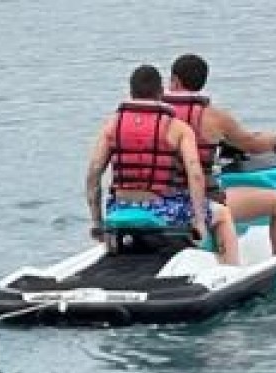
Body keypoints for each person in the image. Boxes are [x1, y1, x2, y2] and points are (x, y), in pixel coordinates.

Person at [85, 64, 240, 265]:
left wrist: (97, 222)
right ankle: (231, 271)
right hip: (162, 210)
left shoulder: (113, 125)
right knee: (223, 214)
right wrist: (199, 221)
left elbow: (93, 175)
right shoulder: (178, 129)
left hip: (119, 209)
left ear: (131, 92)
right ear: (160, 93)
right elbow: (195, 175)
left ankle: (114, 253)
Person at [164, 53, 276, 255]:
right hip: (204, 202)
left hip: (160, 200)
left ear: (174, 80)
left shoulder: (156, 117)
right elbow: (253, 145)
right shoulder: (215, 117)